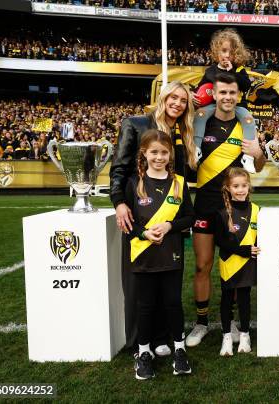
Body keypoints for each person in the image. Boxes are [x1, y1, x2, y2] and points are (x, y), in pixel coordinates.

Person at [110, 81, 197, 356]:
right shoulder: (135, 124)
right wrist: (119, 202)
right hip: (140, 216)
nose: (177, 103)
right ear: (162, 97)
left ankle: (162, 337)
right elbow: (119, 167)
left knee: (167, 284)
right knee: (140, 285)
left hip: (170, 218)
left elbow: (178, 178)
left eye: (183, 100)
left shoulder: (182, 133)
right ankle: (139, 343)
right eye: (173, 97)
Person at [186, 72, 266, 347]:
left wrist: (258, 152)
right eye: (222, 93)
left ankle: (230, 320)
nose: (228, 97)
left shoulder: (246, 125)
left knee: (234, 265)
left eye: (232, 93)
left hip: (235, 209)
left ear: (238, 96)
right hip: (206, 206)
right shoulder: (201, 123)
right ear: (215, 94)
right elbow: (189, 165)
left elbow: (258, 167)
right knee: (202, 265)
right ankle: (201, 322)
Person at [123, 129, 195, 379]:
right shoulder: (133, 183)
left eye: (164, 152)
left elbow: (189, 216)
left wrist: (169, 226)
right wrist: (143, 234)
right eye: (154, 152)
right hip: (143, 255)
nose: (159, 157)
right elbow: (128, 223)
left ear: (170, 154)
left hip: (171, 254)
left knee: (173, 303)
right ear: (144, 153)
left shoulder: (179, 183)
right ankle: (144, 353)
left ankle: (179, 350)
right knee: (145, 306)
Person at [193, 28, 257, 173]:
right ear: (217, 52)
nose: (227, 55)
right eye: (223, 51)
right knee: (200, 114)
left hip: (237, 107)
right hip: (214, 107)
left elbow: (246, 85)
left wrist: (232, 72)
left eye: (231, 52)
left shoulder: (239, 69)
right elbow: (200, 89)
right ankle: (196, 148)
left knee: (248, 119)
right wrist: (193, 95)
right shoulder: (210, 71)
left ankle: (248, 156)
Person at [214, 167, 260, 356]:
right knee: (226, 299)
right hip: (229, 262)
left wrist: (254, 249)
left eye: (243, 185)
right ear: (228, 188)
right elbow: (220, 241)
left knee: (244, 299)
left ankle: (245, 335)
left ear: (249, 186)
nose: (240, 190)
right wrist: (243, 250)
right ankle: (226, 337)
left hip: (248, 264)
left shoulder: (257, 210)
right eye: (236, 186)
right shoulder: (222, 212)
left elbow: (259, 238)